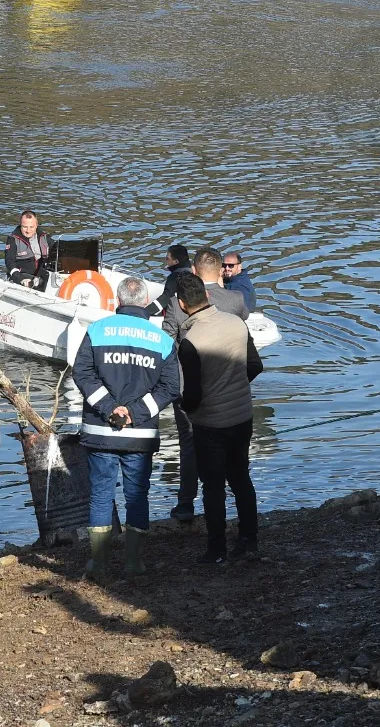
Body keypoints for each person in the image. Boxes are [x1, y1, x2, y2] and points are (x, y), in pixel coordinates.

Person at [71, 276, 180, 584]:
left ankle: (99, 564)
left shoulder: (98, 329)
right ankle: (134, 563)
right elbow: (171, 386)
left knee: (101, 495)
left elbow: (81, 372)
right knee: (137, 496)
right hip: (141, 433)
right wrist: (136, 413)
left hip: (101, 429)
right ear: (146, 302)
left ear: (117, 302)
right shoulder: (161, 339)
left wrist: (109, 408)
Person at [175, 272, 264, 564]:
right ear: (208, 295)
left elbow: (194, 394)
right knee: (241, 478)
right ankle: (249, 540)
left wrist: (186, 408)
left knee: (213, 488)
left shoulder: (190, 342)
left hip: (210, 422)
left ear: (181, 304)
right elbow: (255, 365)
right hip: (242, 415)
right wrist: (235, 387)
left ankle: (217, 549)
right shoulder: (236, 323)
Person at [163, 246, 248, 521]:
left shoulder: (178, 304)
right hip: (230, 386)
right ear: (220, 270)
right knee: (233, 455)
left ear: (195, 272)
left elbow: (167, 343)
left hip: (190, 386)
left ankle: (186, 503)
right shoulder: (236, 300)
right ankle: (239, 510)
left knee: (188, 444)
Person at [4, 210, 52, 291]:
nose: (28, 230)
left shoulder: (44, 237)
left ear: (36, 225)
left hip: (40, 276)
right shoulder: (13, 239)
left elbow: (56, 250)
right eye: (25, 227)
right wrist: (20, 278)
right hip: (22, 276)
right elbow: (9, 261)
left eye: (31, 227)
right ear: (20, 225)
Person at [156, 244, 193, 315]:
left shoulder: (174, 278)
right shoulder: (193, 273)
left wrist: (145, 311)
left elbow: (165, 299)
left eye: (167, 258)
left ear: (176, 262)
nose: (165, 260)